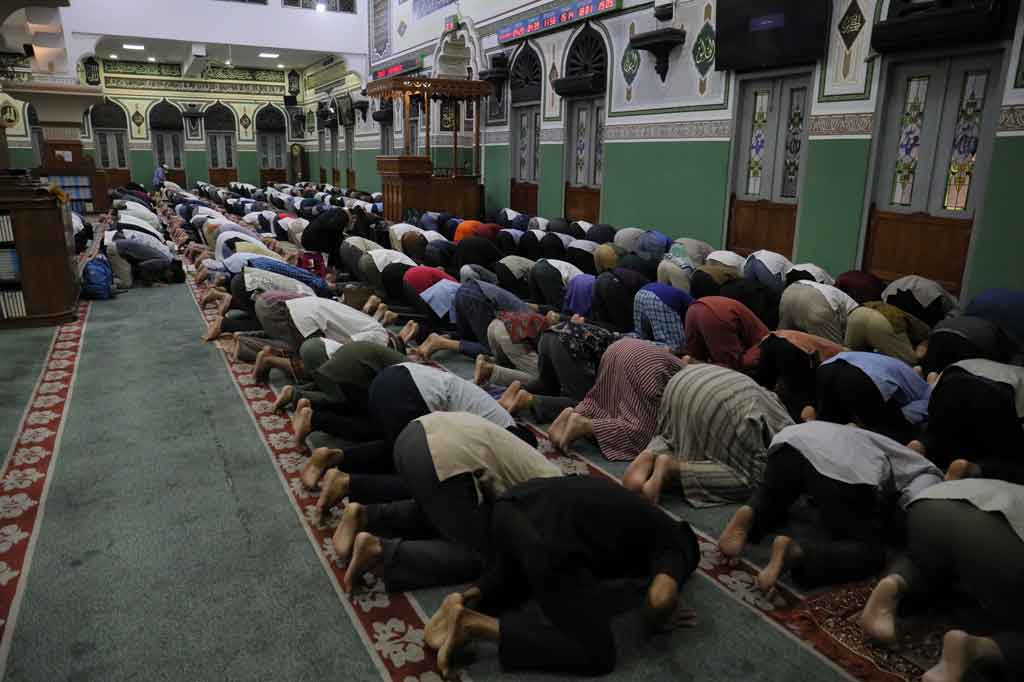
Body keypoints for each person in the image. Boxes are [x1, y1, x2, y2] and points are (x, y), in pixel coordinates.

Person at [425, 476, 700, 678]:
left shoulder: (643, 514)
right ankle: (476, 625)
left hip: (512, 504)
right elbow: (659, 598)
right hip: (548, 539)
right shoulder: (676, 546)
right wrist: (662, 615)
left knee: (521, 578)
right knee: (596, 654)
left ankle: (467, 597)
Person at [328, 412, 562, 593]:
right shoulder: (555, 489)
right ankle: (380, 552)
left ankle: (367, 515)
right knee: (480, 554)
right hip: (443, 456)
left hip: (413, 435)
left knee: (439, 512)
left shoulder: (540, 466)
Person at [718, 421, 942, 592]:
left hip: (794, 438)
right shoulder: (929, 473)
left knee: (775, 494)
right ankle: (798, 553)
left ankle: (752, 512)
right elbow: (912, 511)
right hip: (846, 468)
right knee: (870, 553)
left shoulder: (876, 439)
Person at [860, 479, 1024, 682]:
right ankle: (978, 649)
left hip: (934, 505)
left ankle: (892, 586)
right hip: (1004, 549)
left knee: (923, 560)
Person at [625, 362, 793, 506]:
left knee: (674, 436)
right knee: (753, 480)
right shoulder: (785, 419)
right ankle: (672, 469)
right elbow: (784, 450)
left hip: (685, 380)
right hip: (721, 405)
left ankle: (652, 453)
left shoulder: (759, 390)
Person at [549, 338, 683, 461]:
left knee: (604, 402)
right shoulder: (695, 375)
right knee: (645, 435)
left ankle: (577, 413)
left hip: (621, 347)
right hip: (645, 364)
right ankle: (586, 426)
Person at [912, 359, 1024, 482]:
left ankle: (921, 446)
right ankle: (970, 469)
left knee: (939, 433)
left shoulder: (986, 361)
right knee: (1013, 462)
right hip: (1002, 393)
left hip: (954, 376)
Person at [809, 351, 931, 444]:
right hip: (863, 376)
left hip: (827, 367)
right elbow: (927, 405)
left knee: (828, 426)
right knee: (890, 434)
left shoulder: (895, 364)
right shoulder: (924, 388)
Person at [683, 296, 769, 371]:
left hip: (695, 308)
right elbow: (733, 365)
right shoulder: (767, 340)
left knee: (693, 360)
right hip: (714, 315)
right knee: (732, 365)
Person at [844, 300, 931, 366]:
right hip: (884, 320)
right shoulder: (926, 332)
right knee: (909, 365)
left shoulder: (899, 311)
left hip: (858, 312)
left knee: (850, 358)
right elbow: (919, 354)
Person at [779, 280, 859, 345]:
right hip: (818, 300)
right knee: (833, 352)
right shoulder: (855, 311)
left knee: (783, 340)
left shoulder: (834, 289)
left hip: (792, 290)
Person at [632, 282, 691, 353]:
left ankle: (627, 341)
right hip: (660, 300)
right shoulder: (695, 306)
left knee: (641, 335)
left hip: (641, 293)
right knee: (675, 346)